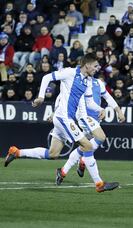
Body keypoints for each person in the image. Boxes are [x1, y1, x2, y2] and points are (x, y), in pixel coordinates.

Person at [4, 54, 119, 193]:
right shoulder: (70, 72)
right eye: (95, 66)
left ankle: (16, 152)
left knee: (53, 153)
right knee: (88, 146)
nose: (97, 69)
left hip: (63, 119)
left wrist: (101, 109)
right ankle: (99, 184)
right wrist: (41, 96)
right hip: (64, 118)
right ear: (87, 65)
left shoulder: (87, 81)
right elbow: (47, 77)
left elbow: (89, 102)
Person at [57, 77, 125, 183]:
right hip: (84, 117)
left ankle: (63, 171)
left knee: (86, 146)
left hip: (96, 119)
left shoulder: (98, 82)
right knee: (99, 138)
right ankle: (95, 179)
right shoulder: (79, 82)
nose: (94, 68)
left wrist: (118, 111)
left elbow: (108, 97)